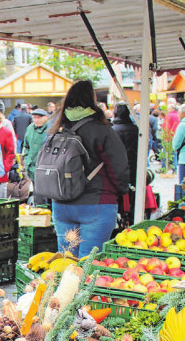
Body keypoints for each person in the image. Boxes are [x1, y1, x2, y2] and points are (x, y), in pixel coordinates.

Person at [47, 80, 129, 258]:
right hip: (96, 204)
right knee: (87, 264)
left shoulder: (57, 127)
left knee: (66, 262)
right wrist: (123, 193)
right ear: (91, 100)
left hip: (62, 204)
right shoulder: (102, 131)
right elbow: (118, 169)